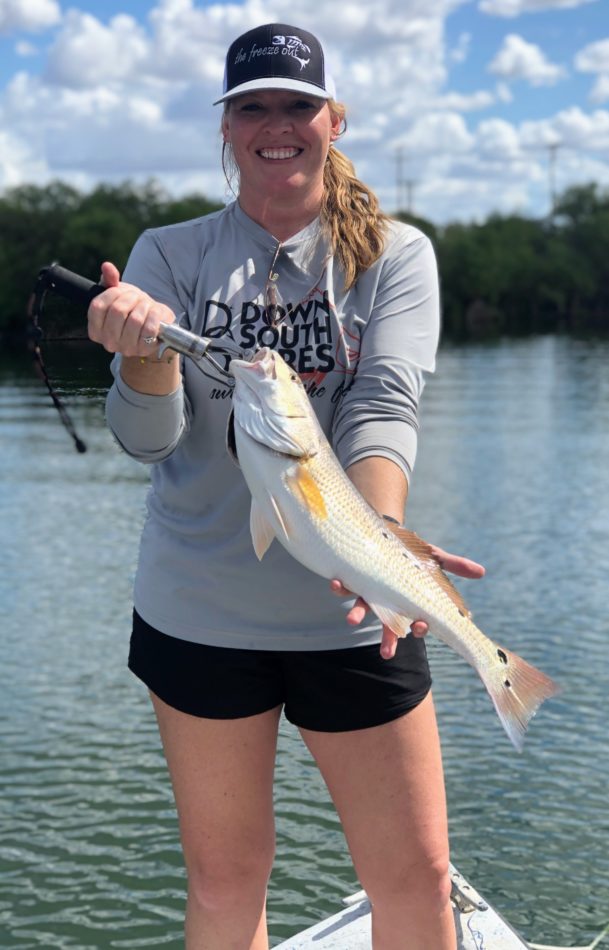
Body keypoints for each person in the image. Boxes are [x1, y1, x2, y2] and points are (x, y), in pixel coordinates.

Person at [87, 22, 484, 950]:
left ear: (332, 121)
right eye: (252, 106)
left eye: (297, 105)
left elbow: (383, 407)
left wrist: (375, 540)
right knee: (226, 886)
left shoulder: (395, 255)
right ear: (226, 130)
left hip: (353, 612)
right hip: (199, 614)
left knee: (417, 881)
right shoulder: (168, 255)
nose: (277, 125)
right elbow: (147, 441)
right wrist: (142, 361)